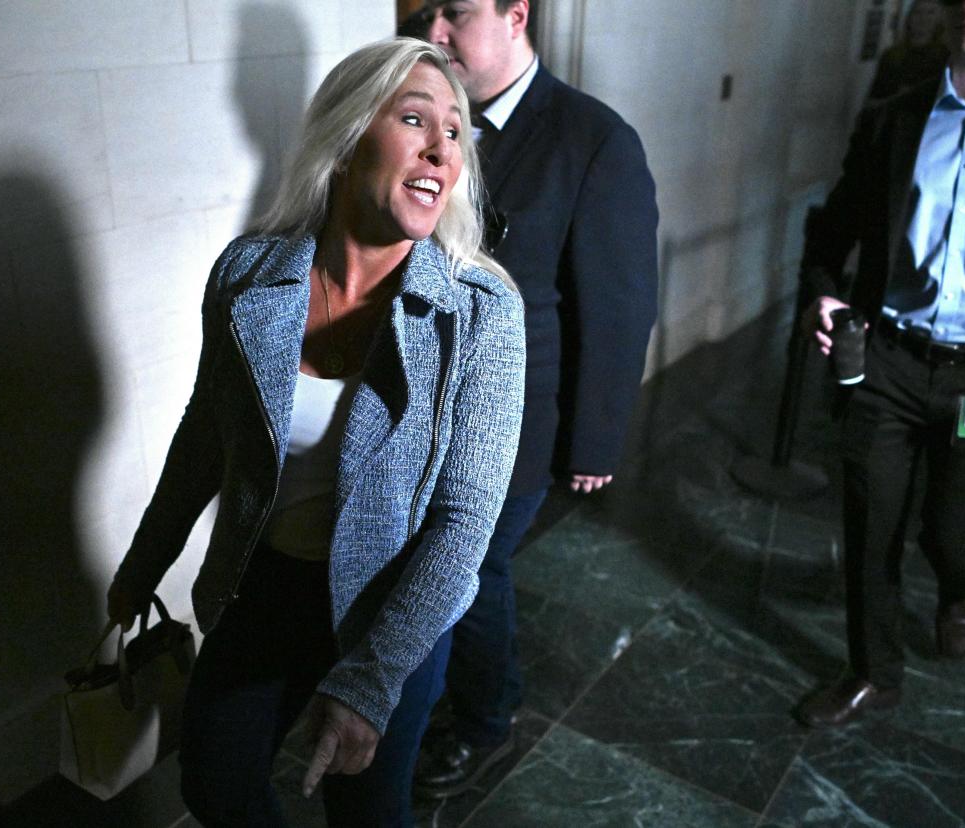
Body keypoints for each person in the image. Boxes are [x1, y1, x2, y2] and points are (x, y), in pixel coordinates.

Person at [106, 38, 526, 826]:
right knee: (215, 786)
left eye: (456, 132)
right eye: (414, 118)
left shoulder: (480, 314)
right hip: (263, 585)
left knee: (366, 810)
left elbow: (465, 521)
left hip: (393, 602)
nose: (443, 146)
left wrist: (369, 681)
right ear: (345, 139)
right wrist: (145, 561)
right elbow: (206, 436)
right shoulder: (248, 274)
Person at [411, 0, 659, 796]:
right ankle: (430, 698)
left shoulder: (594, 138)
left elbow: (618, 305)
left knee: (474, 570)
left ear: (516, 15)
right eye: (427, 13)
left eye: (453, 13)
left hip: (522, 411)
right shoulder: (435, 123)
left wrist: (594, 441)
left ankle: (485, 721)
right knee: (439, 564)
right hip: (428, 398)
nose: (434, 33)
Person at [797, 0, 965, 728]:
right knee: (870, 524)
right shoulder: (899, 114)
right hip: (889, 360)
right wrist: (824, 300)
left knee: (958, 533)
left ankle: (963, 585)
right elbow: (830, 236)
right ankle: (874, 672)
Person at [866, 0, 950, 102]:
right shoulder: (892, 56)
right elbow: (875, 97)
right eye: (918, 12)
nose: (923, 18)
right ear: (910, 17)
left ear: (938, 18)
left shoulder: (945, 57)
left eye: (930, 13)